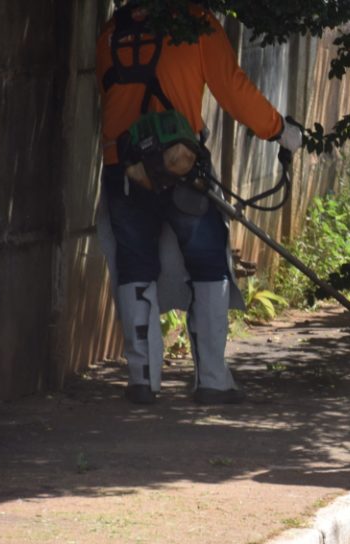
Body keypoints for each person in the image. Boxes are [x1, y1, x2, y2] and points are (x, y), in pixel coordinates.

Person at [96, 1, 302, 405]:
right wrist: (279, 130)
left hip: (124, 167)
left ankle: (142, 380)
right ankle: (211, 379)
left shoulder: (112, 29)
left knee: (134, 266)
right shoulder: (195, 24)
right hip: (179, 167)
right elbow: (233, 89)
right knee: (208, 261)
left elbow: (112, 94)